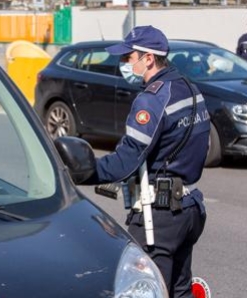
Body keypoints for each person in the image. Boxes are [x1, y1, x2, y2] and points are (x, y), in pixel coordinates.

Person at [85, 26, 210, 297]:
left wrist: (85, 171)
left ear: (149, 59)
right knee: (179, 290)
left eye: (128, 57)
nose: (123, 64)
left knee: (144, 289)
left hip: (159, 217)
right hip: (188, 208)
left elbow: (127, 159)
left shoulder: (152, 98)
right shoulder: (190, 88)